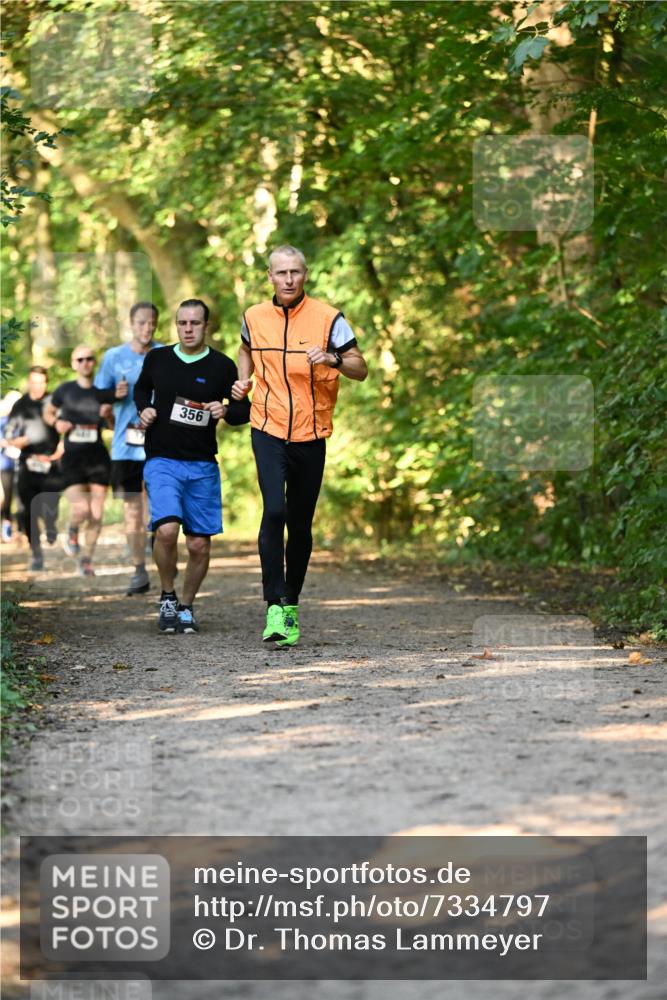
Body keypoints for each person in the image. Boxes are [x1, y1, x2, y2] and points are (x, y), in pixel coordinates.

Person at [231, 244, 368, 647]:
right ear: (269, 277)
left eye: (295, 272)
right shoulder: (254, 317)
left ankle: (291, 600)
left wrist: (332, 358)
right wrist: (245, 380)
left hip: (311, 433)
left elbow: (361, 368)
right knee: (274, 510)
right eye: (281, 273)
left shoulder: (329, 318)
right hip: (267, 426)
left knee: (300, 524)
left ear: (305, 274)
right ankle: (274, 604)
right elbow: (245, 348)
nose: (288, 280)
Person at [134, 298, 250, 634]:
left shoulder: (222, 367)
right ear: (176, 325)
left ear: (206, 326)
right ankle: (167, 595)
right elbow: (142, 389)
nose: (188, 329)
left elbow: (244, 411)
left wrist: (226, 411)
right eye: (182, 323)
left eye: (195, 323)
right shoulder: (158, 358)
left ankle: (186, 606)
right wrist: (144, 408)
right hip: (162, 460)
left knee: (198, 544)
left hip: (202, 465)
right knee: (167, 530)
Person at [95, 302, 162, 595]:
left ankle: (162, 564)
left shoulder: (165, 354)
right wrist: (113, 395)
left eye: (151, 323)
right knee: (133, 512)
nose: (146, 329)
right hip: (126, 447)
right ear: (131, 324)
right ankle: (138, 570)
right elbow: (98, 397)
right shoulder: (113, 357)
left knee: (159, 509)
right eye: (140, 323)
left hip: (160, 443)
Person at [46, 346, 118, 577]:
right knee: (81, 509)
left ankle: (86, 560)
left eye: (90, 358)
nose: (86, 362)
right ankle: (72, 528)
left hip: (98, 458)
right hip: (72, 458)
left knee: (96, 514)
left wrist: (108, 416)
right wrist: (57, 424)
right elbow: (48, 413)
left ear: (94, 363)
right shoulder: (65, 390)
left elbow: (113, 426)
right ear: (73, 363)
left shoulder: (102, 391)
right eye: (81, 359)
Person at [3, 367, 63, 571]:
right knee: (28, 510)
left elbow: (65, 427)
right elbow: (9, 434)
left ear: (46, 383)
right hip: (28, 463)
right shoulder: (20, 405)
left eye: (42, 382)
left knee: (51, 505)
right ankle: (36, 552)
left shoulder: (54, 401)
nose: (38, 386)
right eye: (34, 382)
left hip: (51, 463)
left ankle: (51, 524)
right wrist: (17, 441)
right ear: (29, 382)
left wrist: (62, 448)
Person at [0, 389, 22, 542]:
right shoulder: (2, 422)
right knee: (5, 498)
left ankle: (21, 528)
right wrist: (8, 445)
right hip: (5, 465)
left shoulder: (23, 421)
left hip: (21, 465)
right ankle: (6, 524)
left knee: (21, 497)